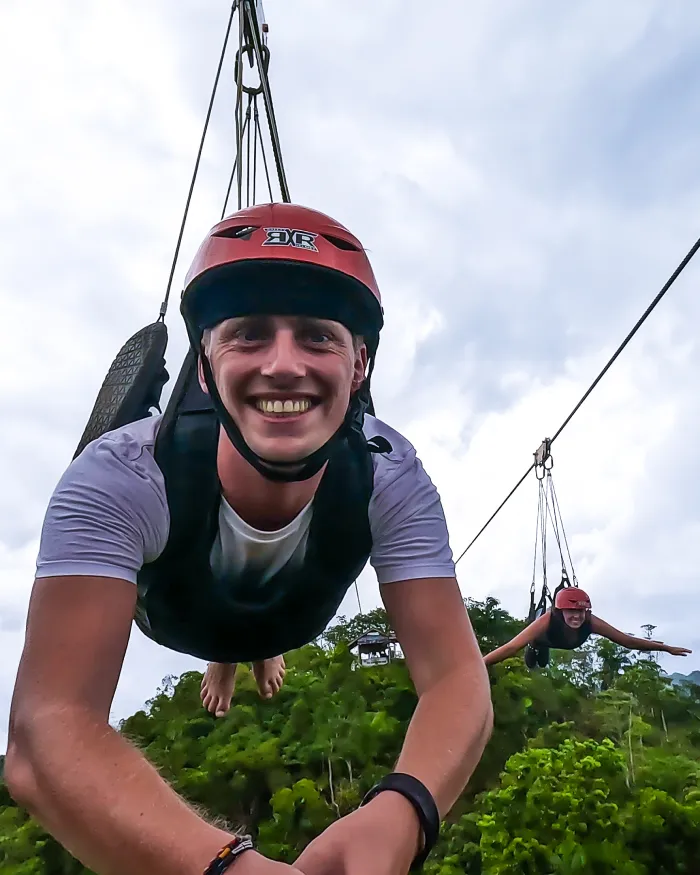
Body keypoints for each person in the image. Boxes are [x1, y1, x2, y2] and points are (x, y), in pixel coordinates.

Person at [5, 202, 493, 875]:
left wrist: (405, 808)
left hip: (293, 606)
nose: (284, 364)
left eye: (318, 337)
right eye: (250, 334)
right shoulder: (122, 479)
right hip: (172, 596)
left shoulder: (391, 473)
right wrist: (225, 867)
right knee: (121, 480)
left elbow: (458, 676)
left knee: (276, 606)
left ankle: (254, 647)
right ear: (203, 366)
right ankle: (230, 642)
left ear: (361, 368)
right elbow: (43, 734)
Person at [483, 586, 692, 668]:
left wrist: (665, 648)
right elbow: (511, 647)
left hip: (562, 642)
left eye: (580, 612)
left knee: (543, 665)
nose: (576, 617)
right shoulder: (546, 621)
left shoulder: (591, 622)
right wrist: (481, 665)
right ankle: (536, 649)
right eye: (571, 612)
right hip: (541, 642)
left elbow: (626, 641)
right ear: (559, 612)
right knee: (534, 662)